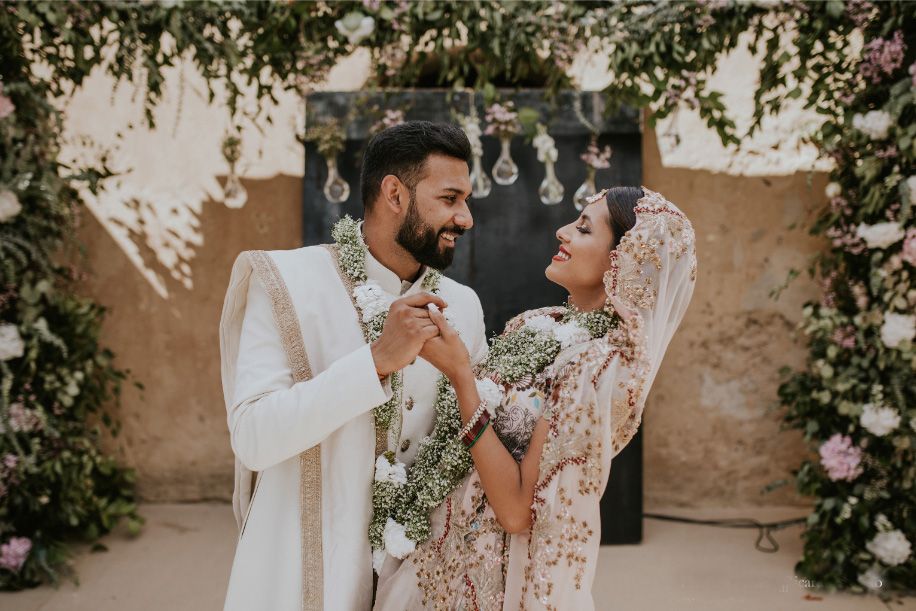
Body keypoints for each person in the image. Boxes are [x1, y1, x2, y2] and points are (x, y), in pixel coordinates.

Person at [373, 186, 697, 610]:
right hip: (434, 555)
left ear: (623, 262)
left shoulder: (595, 369)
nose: (562, 232)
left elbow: (516, 511)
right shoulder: (538, 323)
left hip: (487, 583)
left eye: (583, 229)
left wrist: (461, 377)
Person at [218, 121, 488, 611]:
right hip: (300, 578)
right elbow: (254, 437)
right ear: (394, 193)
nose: (465, 218)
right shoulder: (286, 283)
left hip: (418, 586)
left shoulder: (463, 306)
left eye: (466, 200)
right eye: (449, 198)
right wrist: (376, 363)